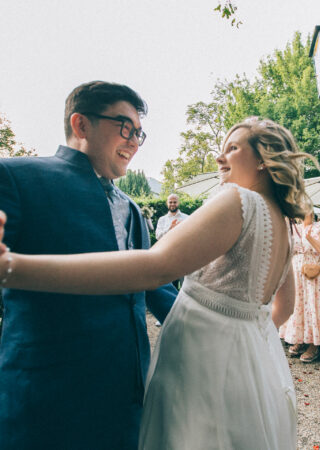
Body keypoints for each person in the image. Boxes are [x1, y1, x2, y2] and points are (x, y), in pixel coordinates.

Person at [0, 117, 313, 449]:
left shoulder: (238, 200)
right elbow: (284, 307)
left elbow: (155, 266)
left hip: (204, 365)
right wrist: (241, 336)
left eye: (233, 149)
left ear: (264, 159)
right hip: (252, 368)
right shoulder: (282, 223)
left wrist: (12, 267)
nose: (221, 158)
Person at [0, 81, 177, 449]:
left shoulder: (130, 206)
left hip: (125, 394)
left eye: (139, 134)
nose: (133, 141)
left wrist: (224, 325)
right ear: (81, 125)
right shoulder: (16, 177)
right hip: (46, 393)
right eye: (125, 127)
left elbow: (156, 288)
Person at [279, 212, 320, 361]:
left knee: (313, 305)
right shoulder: (295, 227)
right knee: (298, 305)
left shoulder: (319, 227)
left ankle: (314, 344)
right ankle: (299, 339)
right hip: (297, 269)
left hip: (314, 269)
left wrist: (309, 238)